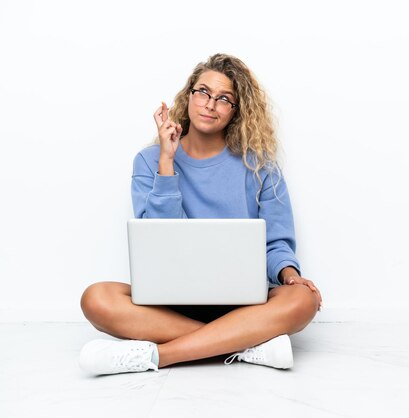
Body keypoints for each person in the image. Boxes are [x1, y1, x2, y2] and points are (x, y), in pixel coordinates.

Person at [78, 53, 322, 375]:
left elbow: (276, 244)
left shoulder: (260, 167)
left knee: (302, 300)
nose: (210, 104)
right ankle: (247, 345)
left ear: (236, 112)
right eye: (203, 92)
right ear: (189, 95)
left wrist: (291, 277)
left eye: (224, 99)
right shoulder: (150, 161)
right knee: (96, 298)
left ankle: (157, 356)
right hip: (169, 304)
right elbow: (158, 241)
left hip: (243, 304)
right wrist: (168, 162)